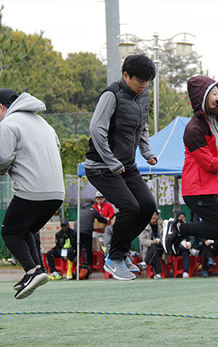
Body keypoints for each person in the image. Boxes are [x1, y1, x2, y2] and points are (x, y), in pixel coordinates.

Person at [85, 54, 159, 281]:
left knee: (147, 206)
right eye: (139, 81)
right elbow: (96, 129)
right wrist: (111, 161)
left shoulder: (143, 95)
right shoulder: (111, 95)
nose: (143, 86)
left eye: (147, 81)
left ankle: (121, 250)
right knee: (130, 207)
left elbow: (142, 126)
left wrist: (146, 152)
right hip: (101, 166)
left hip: (126, 165)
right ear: (126, 75)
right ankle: (114, 257)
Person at [0, 88, 65, 298]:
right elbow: (57, 149)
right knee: (27, 230)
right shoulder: (44, 124)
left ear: (1, 107)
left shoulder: (8, 124)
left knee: (10, 232)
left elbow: (4, 158)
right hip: (57, 192)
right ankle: (37, 270)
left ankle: (31, 271)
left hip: (33, 190)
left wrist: (1, 170)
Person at [161, 76, 218, 258]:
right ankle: (179, 227)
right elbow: (209, 163)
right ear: (202, 97)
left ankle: (179, 230)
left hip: (211, 188)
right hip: (197, 190)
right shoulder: (193, 129)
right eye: (213, 93)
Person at [77, 199, 108, 268]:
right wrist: (107, 220)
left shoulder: (80, 211)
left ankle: (76, 266)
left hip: (77, 231)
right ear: (93, 205)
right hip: (87, 232)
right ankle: (89, 266)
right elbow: (102, 219)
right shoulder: (93, 211)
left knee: (78, 249)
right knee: (88, 250)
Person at [137, 211, 164, 279]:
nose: (153, 217)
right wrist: (152, 242)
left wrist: (159, 241)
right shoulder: (144, 226)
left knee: (155, 248)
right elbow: (142, 240)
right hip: (149, 249)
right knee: (154, 249)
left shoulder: (161, 225)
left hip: (161, 247)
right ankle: (157, 274)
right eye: (151, 215)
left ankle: (145, 262)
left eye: (154, 215)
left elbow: (165, 237)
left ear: (157, 216)